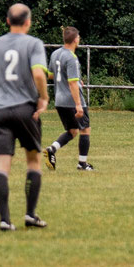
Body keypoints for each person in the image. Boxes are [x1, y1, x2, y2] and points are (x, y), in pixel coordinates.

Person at [0, 2, 50, 231]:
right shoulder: (33, 44)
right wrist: (43, 97)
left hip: (0, 111)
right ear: (28, 22)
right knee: (33, 160)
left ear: (8, 21)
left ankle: (4, 219)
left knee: (2, 165)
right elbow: (38, 73)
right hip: (26, 109)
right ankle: (30, 215)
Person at [43, 26, 93, 172]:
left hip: (59, 100)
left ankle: (51, 149)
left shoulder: (55, 54)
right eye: (78, 37)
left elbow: (51, 75)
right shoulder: (71, 57)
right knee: (85, 130)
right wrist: (78, 105)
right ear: (75, 39)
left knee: (72, 131)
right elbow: (72, 82)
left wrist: (76, 80)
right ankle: (82, 164)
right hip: (72, 100)